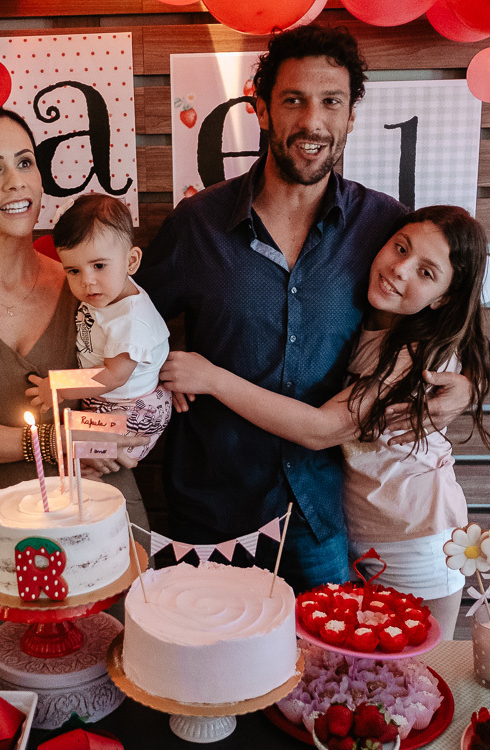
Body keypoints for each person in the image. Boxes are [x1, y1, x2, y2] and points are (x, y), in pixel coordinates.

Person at [139, 25, 472, 591]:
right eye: (294, 100)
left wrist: (463, 386)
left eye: (331, 103)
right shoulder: (197, 226)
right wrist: (163, 367)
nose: (313, 122)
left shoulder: (385, 227)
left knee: (326, 673)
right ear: (263, 110)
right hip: (212, 505)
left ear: (349, 117)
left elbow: (448, 311)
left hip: (323, 509)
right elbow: (127, 321)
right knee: (208, 672)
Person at [161, 206, 490, 638]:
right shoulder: (369, 324)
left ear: (445, 296)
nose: (399, 269)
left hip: (417, 540)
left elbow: (320, 429)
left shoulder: (419, 355)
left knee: (419, 676)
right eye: (400, 247)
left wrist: (212, 378)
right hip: (357, 530)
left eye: (426, 273)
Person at [0, 106, 148, 634]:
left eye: (25, 162)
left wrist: (175, 377)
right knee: (11, 693)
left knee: (121, 678)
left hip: (104, 519)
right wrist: (60, 445)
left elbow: (140, 357)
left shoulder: (86, 281)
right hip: (4, 544)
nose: (17, 181)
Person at [26, 194, 171, 462]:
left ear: (131, 261)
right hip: (106, 401)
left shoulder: (131, 319)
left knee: (82, 458)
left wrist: (59, 386)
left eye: (99, 266)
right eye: (73, 271)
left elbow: (114, 376)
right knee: (67, 447)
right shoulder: (107, 293)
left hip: (132, 411)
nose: (87, 282)